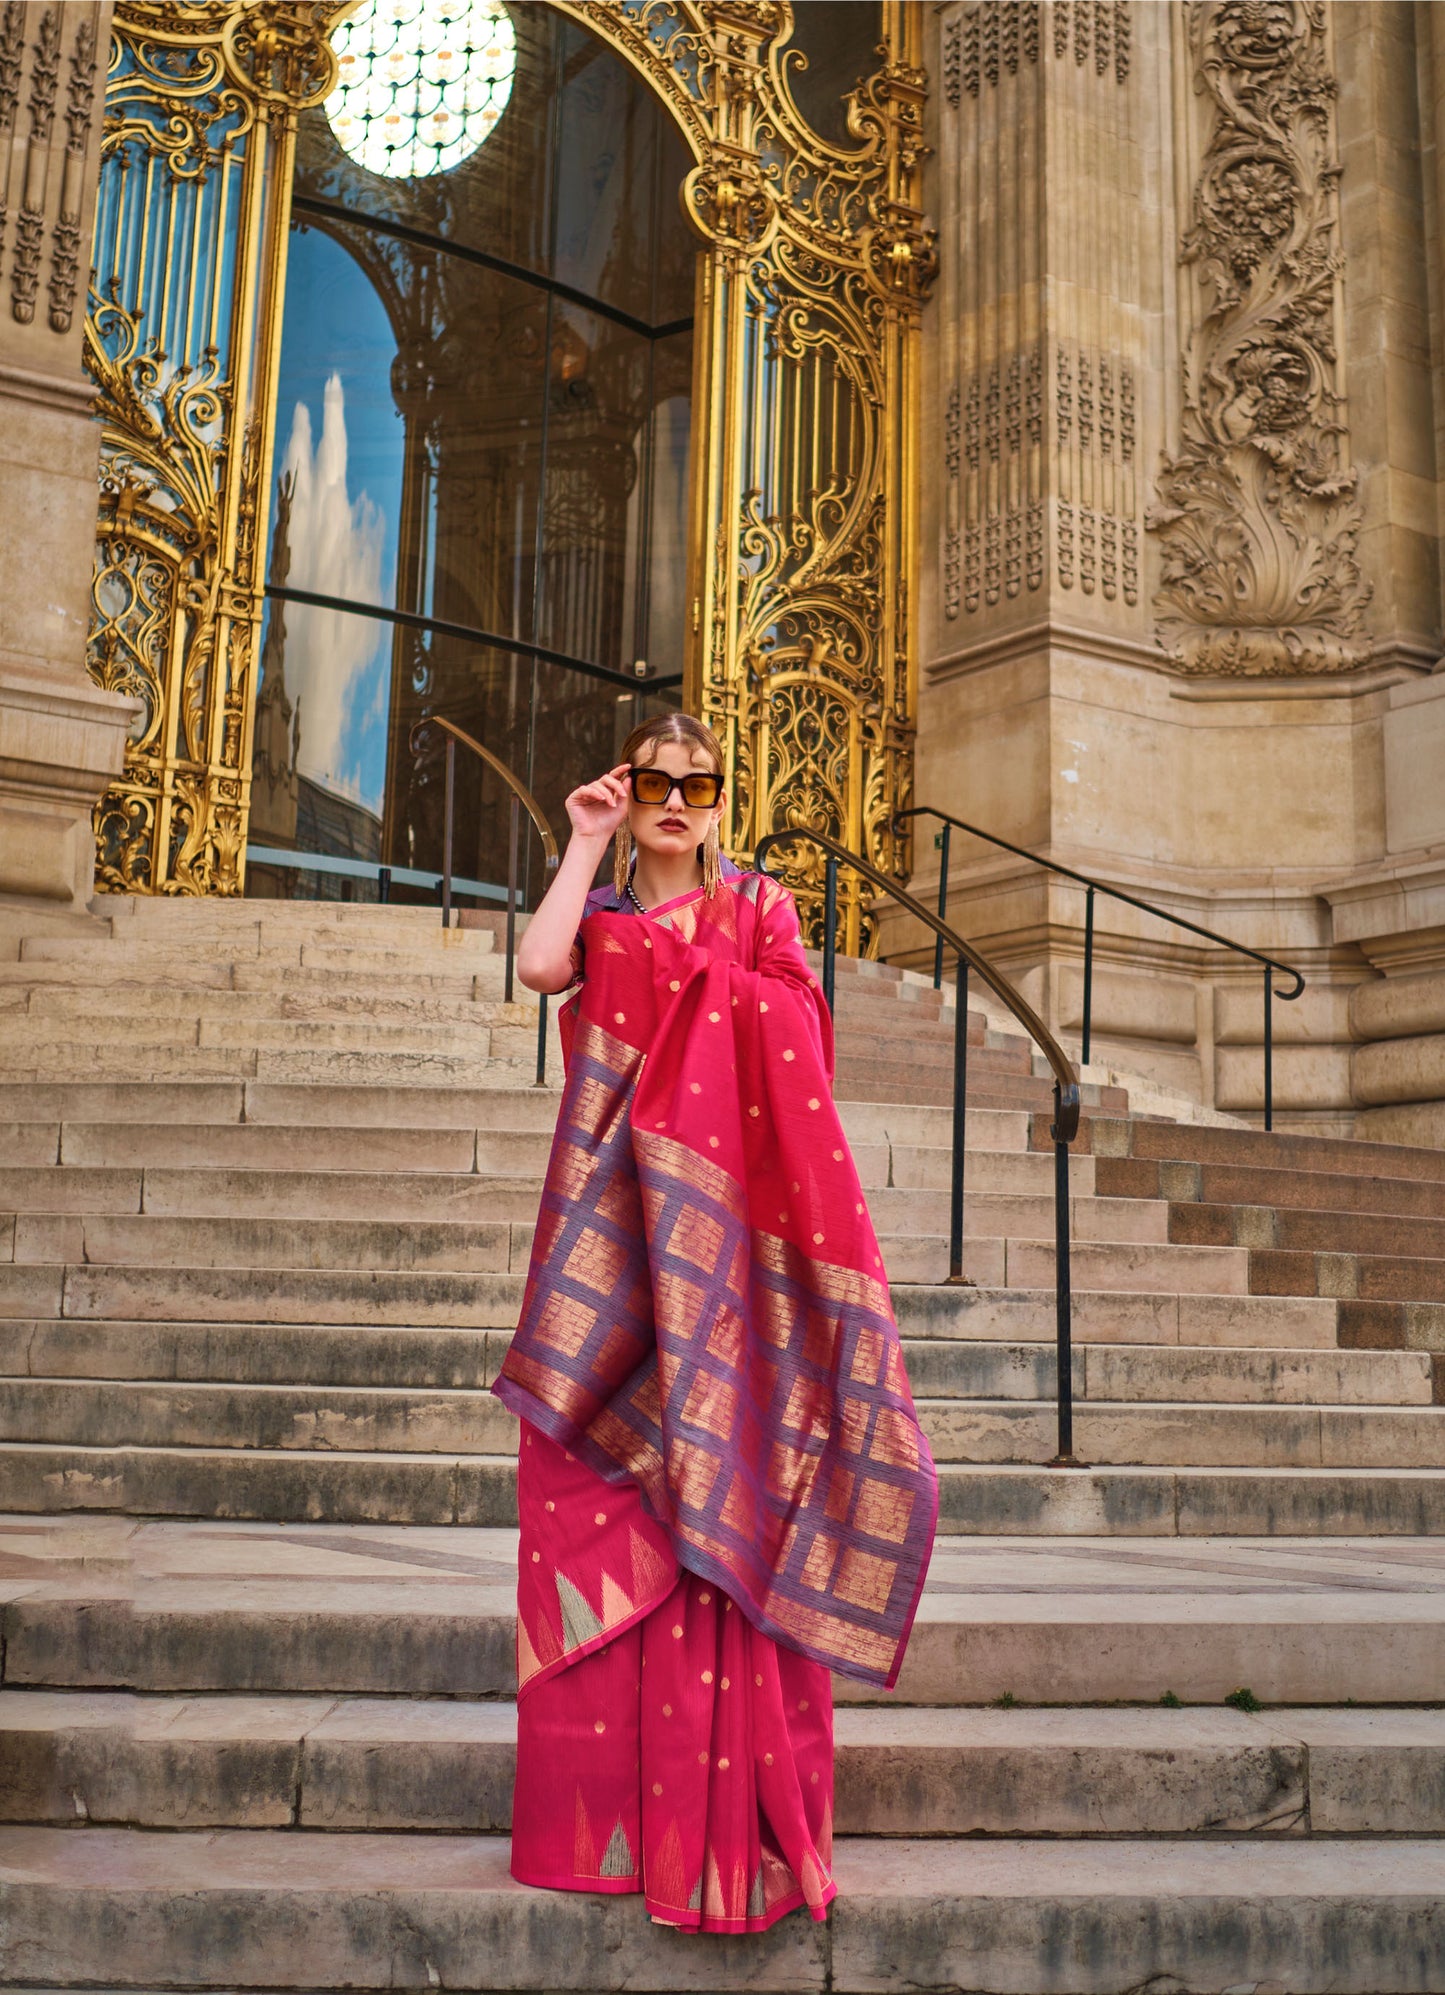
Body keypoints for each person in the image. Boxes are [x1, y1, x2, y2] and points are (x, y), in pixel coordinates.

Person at [492, 712, 937, 1933]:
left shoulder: (761, 911)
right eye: (651, 784)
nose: (675, 801)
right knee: (596, 1487)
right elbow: (538, 971)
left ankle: (720, 1830)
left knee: (726, 1478)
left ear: (724, 799)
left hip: (728, 1247)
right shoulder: (608, 915)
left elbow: (798, 1033)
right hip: (611, 1233)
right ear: (623, 792)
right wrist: (581, 846)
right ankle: (608, 1829)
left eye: (698, 785)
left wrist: (697, 982)